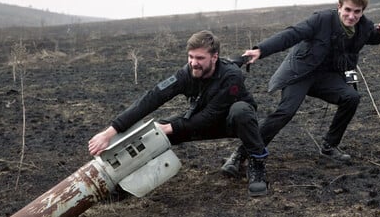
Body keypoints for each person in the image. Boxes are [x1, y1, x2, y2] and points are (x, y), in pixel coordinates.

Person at [221, 0, 380, 176]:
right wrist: (261, 50)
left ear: (363, 11)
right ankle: (240, 155)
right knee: (285, 113)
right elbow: (292, 34)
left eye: (357, 12)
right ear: (339, 6)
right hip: (300, 73)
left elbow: (372, 37)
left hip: (326, 78)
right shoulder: (321, 20)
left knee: (351, 98)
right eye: (347, 10)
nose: (351, 16)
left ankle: (329, 146)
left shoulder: (364, 27)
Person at [89, 30, 269, 197]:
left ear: (215, 57)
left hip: (231, 123)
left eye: (200, 58)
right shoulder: (186, 73)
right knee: (150, 137)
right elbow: (152, 97)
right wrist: (110, 131)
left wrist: (169, 128)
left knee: (242, 111)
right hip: (198, 121)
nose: (193, 62)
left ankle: (257, 164)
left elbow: (210, 116)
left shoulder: (231, 76)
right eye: (190, 57)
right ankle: (122, 187)